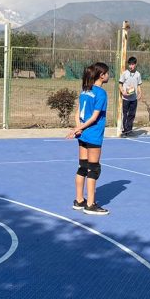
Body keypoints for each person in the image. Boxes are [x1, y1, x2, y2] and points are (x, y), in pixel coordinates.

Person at [67, 62, 110, 216]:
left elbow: (77, 112)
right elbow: (94, 117)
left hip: (83, 135)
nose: (108, 75)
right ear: (102, 75)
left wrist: (78, 128)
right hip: (93, 134)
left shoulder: (85, 91)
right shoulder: (101, 93)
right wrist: (79, 128)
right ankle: (90, 204)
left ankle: (79, 200)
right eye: (107, 73)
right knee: (94, 169)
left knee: (82, 167)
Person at [118, 56, 143, 136]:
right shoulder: (124, 73)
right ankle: (124, 130)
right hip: (126, 98)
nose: (131, 66)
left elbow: (139, 85)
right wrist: (122, 91)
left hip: (133, 98)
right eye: (130, 64)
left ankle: (129, 130)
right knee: (125, 114)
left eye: (132, 64)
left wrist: (140, 93)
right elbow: (120, 84)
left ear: (135, 64)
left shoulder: (138, 74)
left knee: (132, 114)